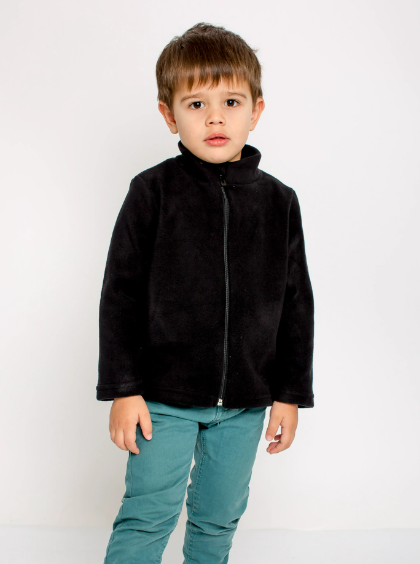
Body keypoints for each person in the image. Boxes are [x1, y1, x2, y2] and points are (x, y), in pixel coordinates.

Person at [97, 22, 315, 564]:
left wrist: (289, 393)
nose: (215, 118)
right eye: (196, 104)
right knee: (147, 515)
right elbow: (120, 295)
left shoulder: (280, 202)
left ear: (255, 110)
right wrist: (124, 389)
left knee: (219, 520)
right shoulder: (152, 192)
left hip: (244, 403)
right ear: (169, 115)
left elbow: (296, 304)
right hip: (161, 399)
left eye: (231, 102)